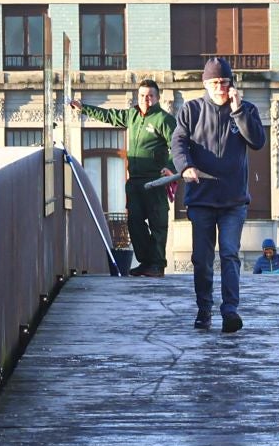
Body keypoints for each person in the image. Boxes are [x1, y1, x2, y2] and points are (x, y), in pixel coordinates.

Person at [170, 57, 266, 333]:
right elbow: (178, 142)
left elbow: (257, 141)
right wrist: (185, 166)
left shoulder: (246, 110)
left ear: (232, 83)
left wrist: (238, 111)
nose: (220, 88)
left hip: (233, 200)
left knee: (229, 254)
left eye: (225, 82)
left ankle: (230, 311)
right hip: (201, 198)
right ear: (205, 84)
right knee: (201, 258)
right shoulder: (191, 110)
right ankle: (204, 310)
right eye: (215, 83)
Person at [71, 79, 174, 277]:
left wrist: (170, 168)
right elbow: (110, 116)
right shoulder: (133, 115)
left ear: (158, 97)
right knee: (134, 222)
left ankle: (157, 265)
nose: (146, 100)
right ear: (138, 97)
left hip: (155, 181)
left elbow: (177, 145)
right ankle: (145, 262)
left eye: (150, 96)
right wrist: (83, 108)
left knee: (157, 223)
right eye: (143, 96)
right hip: (134, 180)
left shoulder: (163, 119)